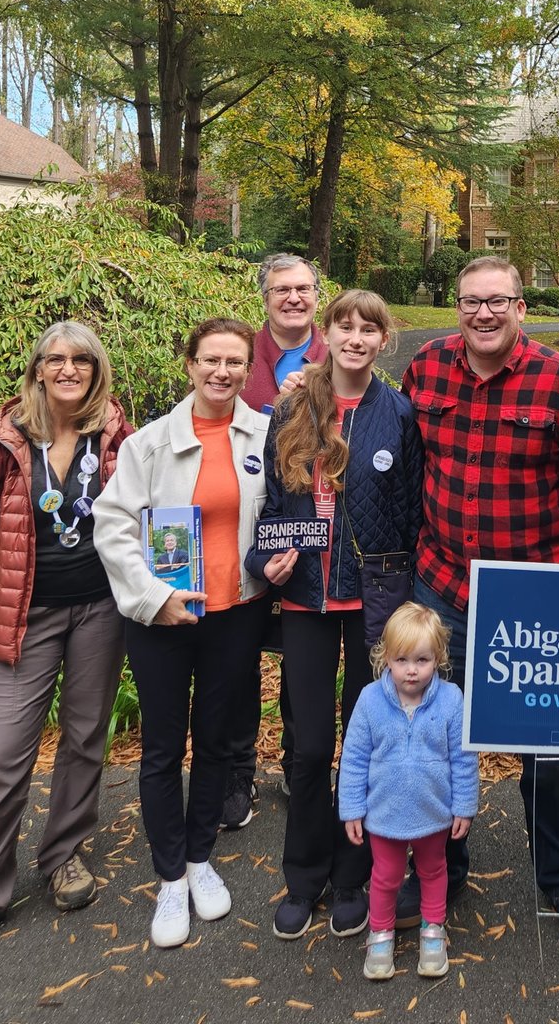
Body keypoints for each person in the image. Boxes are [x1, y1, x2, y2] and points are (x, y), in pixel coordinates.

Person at [401, 256, 559, 954]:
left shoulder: (557, 379)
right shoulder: (426, 369)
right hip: (443, 588)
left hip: (540, 598)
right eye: (472, 301)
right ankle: (439, 871)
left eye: (498, 301)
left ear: (520, 306)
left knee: (551, 752)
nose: (484, 313)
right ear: (457, 306)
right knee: (436, 741)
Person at [0, 323, 132, 969]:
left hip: (100, 611)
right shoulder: (3, 442)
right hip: (25, 617)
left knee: (86, 737)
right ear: (37, 370)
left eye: (81, 360)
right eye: (55, 360)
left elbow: (141, 511)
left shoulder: (116, 435)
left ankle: (63, 857)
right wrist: (21, 572)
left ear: (97, 369)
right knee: (3, 756)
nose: (68, 369)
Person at [245, 289, 423, 943]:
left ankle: (354, 880)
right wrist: (269, 560)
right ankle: (304, 878)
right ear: (327, 334)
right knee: (311, 746)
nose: (354, 337)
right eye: (343, 325)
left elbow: (410, 516)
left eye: (367, 328)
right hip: (307, 602)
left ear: (383, 339)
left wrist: (404, 599)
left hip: (373, 602)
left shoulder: (396, 413)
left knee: (366, 747)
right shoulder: (293, 405)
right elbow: (269, 503)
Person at [93, 318, 269, 949]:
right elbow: (112, 526)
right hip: (164, 617)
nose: (222, 372)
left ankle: (200, 859)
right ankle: (169, 876)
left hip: (236, 613)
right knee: (164, 748)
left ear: (248, 371)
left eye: (234, 363)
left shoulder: (265, 436)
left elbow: (284, 515)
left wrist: (277, 561)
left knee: (217, 742)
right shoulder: (148, 445)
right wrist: (154, 597)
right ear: (189, 364)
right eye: (210, 360)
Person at [221, 254, 330, 831]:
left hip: (308, 532)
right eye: (282, 289)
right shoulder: (238, 354)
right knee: (237, 658)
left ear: (318, 295)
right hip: (240, 526)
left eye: (304, 288)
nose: (294, 298)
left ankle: (296, 763)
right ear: (264, 296)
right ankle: (237, 772)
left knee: (301, 660)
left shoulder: (338, 354)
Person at [339, 603, 479, 981]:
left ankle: (433, 930)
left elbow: (464, 760)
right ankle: (380, 933)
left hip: (434, 812)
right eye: (402, 659)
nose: (412, 669)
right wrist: (351, 807)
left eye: (422, 659)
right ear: (385, 658)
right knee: (385, 876)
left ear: (439, 659)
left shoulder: (451, 700)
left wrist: (464, 805)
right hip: (384, 813)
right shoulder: (369, 700)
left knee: (434, 871)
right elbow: (353, 758)